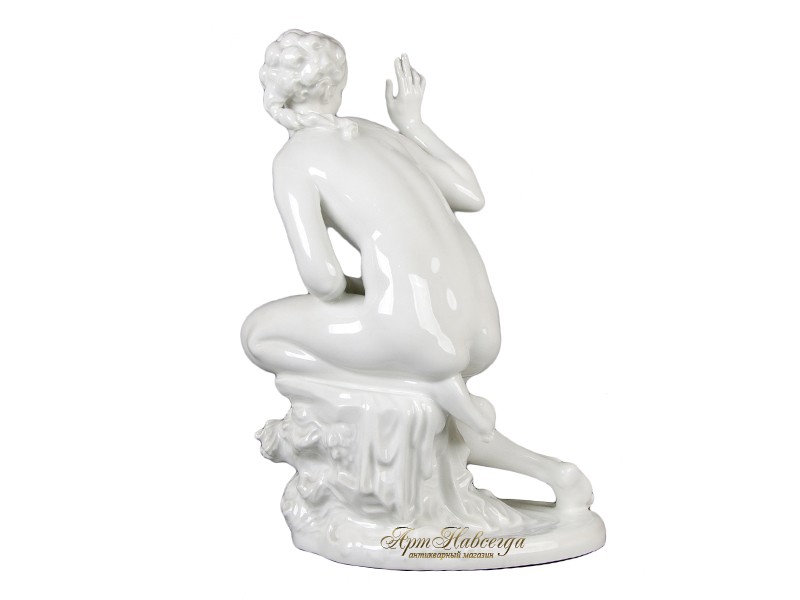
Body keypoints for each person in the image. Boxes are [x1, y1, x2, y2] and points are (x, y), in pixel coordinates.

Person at [243, 29, 502, 438]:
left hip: (419, 338)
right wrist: (413, 123)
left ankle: (423, 384)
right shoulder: (370, 130)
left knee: (258, 334)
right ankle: (430, 381)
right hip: (484, 329)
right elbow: (470, 194)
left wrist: (364, 289)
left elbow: (324, 283)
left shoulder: (293, 161)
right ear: (337, 83)